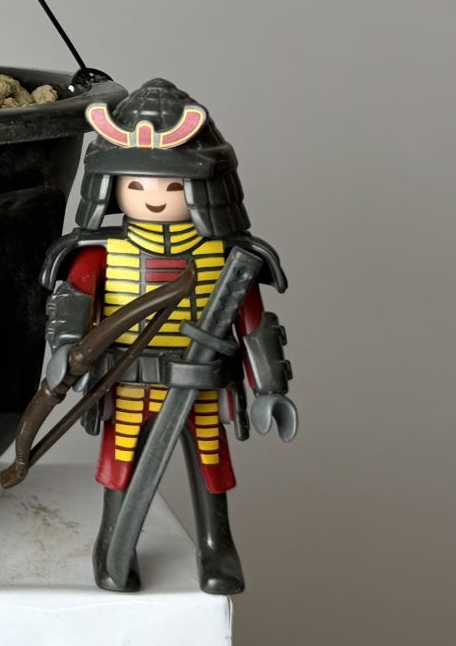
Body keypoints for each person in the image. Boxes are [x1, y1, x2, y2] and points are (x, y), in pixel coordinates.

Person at [39, 78, 298, 594]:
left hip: (200, 383)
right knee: (120, 462)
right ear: (111, 188)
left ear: (203, 190)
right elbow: (74, 303)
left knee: (210, 465)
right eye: (136, 186)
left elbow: (252, 322)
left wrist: (270, 388)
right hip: (127, 381)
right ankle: (113, 542)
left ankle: (216, 546)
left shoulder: (230, 259)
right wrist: (65, 349)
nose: (153, 198)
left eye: (171, 187)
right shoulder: (100, 253)